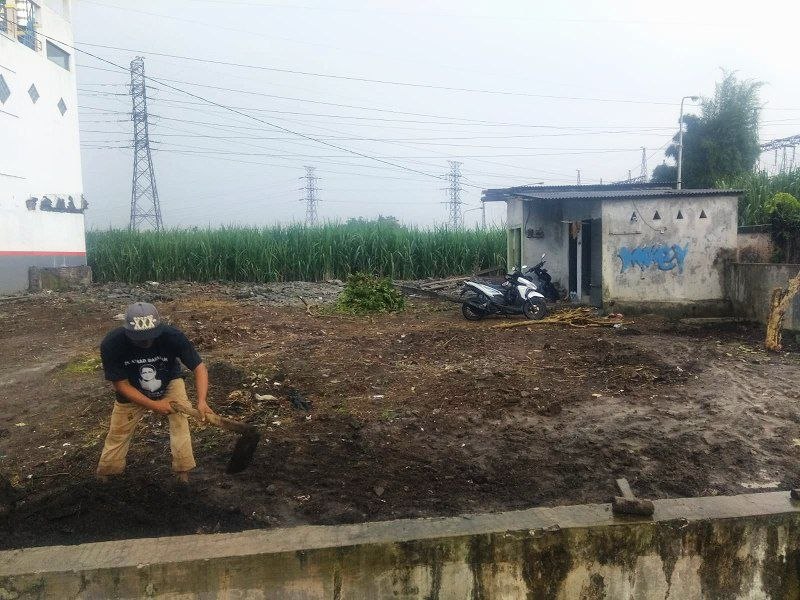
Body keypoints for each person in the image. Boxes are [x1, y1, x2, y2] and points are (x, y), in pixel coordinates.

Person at [96, 302, 214, 482]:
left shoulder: (173, 336)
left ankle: (183, 474)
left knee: (180, 424)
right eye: (139, 338)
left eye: (149, 337)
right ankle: (106, 475)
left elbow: (199, 368)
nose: (145, 342)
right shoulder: (112, 343)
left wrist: (202, 401)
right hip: (131, 388)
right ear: (127, 331)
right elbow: (121, 384)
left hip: (169, 381)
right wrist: (154, 405)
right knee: (119, 431)